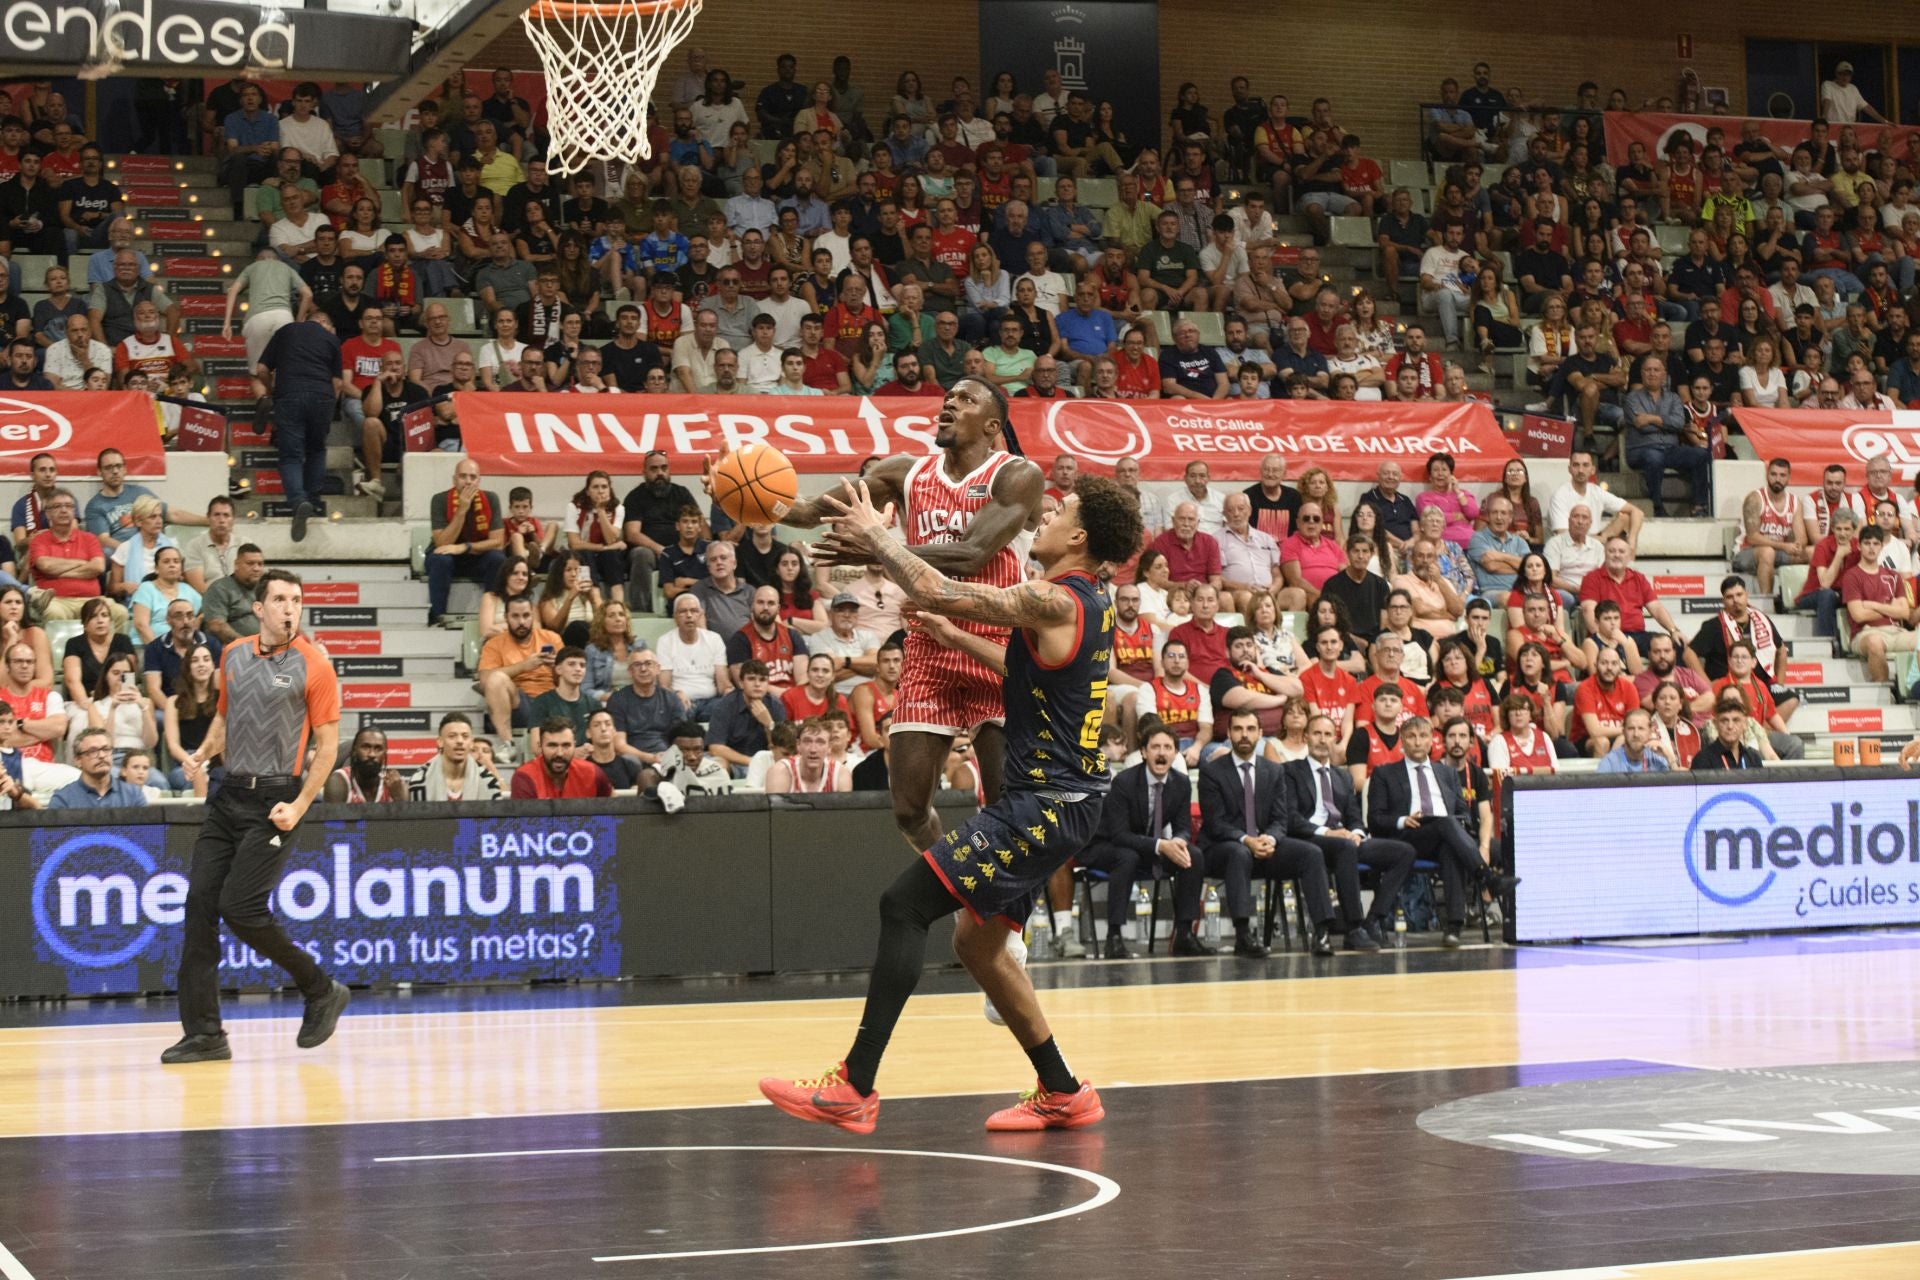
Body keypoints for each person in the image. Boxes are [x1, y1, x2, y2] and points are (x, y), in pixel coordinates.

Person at [757, 472, 1136, 1133]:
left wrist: (879, 535)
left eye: (1057, 513)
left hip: (1043, 805)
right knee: (977, 945)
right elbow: (1029, 670)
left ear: (1077, 537)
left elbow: (936, 585)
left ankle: (855, 1085)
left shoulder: (1053, 598)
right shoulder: (1089, 602)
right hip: (1062, 800)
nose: (1042, 516)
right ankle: (1063, 1090)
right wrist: (957, 639)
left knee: (904, 906)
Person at [715, 375, 1043, 852]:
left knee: (1002, 805)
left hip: (994, 646)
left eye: (965, 399)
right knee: (909, 811)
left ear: (993, 425)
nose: (949, 404)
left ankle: (1007, 921)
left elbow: (972, 553)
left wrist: (878, 546)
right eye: (947, 397)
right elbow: (808, 511)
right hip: (929, 645)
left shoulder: (1017, 475)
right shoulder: (903, 472)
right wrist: (738, 489)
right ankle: (958, 888)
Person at [163, 570, 348, 1065]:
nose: (290, 608)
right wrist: (201, 754)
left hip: (276, 800)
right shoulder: (233, 654)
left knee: (241, 908)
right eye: (281, 599)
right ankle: (205, 1034)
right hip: (227, 797)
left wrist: (302, 804)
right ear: (259, 608)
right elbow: (225, 717)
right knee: (200, 904)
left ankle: (320, 988)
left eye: (297, 600)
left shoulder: (314, 666)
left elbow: (327, 746)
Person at [1366, 717, 1516, 948]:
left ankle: (1453, 927)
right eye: (1411, 737)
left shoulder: (1445, 773)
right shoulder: (1384, 774)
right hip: (1407, 837)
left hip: (1444, 835)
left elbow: (1463, 812)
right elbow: (1375, 820)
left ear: (1431, 742)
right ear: (1401, 742)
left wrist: (1459, 825)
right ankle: (1487, 878)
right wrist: (1401, 820)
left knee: (1450, 844)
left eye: (1423, 736)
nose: (1417, 742)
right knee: (1446, 827)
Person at [1077, 723, 1189, 960]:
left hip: (1143, 847)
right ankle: (1114, 937)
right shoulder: (1125, 782)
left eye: (1168, 747)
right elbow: (1119, 834)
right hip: (1103, 845)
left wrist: (1179, 842)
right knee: (1127, 856)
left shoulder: (1181, 782)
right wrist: (1161, 846)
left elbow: (1183, 827)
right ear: (1144, 752)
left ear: (1176, 753)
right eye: (1155, 747)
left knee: (1193, 857)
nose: (1161, 752)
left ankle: (1185, 936)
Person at [253, 313, 343, 541]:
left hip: (290, 394)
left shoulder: (285, 331)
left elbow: (262, 368)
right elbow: (338, 383)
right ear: (325, 323)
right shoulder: (332, 339)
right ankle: (311, 501)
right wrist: (329, 406)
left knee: (291, 455)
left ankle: (298, 501)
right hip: (322, 396)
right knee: (316, 449)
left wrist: (271, 391)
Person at [426, 458, 508, 625]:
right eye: (463, 476)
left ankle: (492, 615)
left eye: (473, 477)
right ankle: (437, 615)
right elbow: (442, 543)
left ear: (479, 480)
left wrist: (464, 547)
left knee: (498, 559)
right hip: (448, 557)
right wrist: (462, 510)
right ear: (454, 479)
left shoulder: (491, 498)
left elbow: (497, 542)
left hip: (475, 554)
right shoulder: (439, 500)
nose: (468, 482)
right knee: (440, 559)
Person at [476, 595, 563, 745]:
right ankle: (508, 744)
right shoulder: (494, 644)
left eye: (526, 616)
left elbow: (567, 680)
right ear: (506, 617)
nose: (521, 622)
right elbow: (485, 681)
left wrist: (557, 668)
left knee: (570, 671)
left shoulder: (552, 638)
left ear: (533, 616)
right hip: (520, 704)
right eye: (515, 616)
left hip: (552, 702)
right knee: (496, 679)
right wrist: (523, 666)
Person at [511, 717, 615, 799]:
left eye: (566, 745)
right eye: (552, 745)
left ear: (574, 745)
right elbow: (524, 824)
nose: (559, 753)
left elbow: (616, 814)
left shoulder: (593, 773)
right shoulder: (525, 777)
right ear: (540, 746)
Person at [47, 726, 147, 809]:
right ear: (78, 760)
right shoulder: (63, 799)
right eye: (93, 751)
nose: (102, 755)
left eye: (106, 749)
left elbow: (147, 832)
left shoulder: (133, 795)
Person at [416, 712, 501, 802]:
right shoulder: (419, 780)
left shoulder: (488, 781)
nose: (460, 741)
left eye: (465, 736)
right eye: (452, 736)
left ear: (471, 743)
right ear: (440, 742)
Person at [322, 727, 405, 803]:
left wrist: (399, 798)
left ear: (384, 754)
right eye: (366, 747)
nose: (372, 754)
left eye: (378, 749)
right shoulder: (339, 781)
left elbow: (407, 818)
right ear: (354, 750)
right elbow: (334, 819)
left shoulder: (393, 784)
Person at [1692, 695, 1764, 770]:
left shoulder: (1753, 758)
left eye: (1736, 720)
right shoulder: (1703, 759)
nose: (1730, 726)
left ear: (1745, 724)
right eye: (1724, 721)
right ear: (1715, 724)